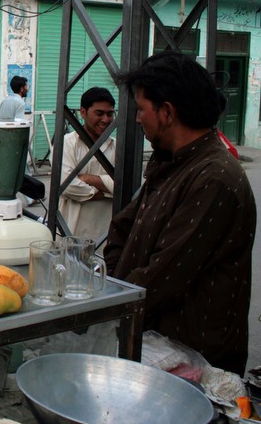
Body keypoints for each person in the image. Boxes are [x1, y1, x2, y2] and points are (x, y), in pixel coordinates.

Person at [105, 51, 256, 375]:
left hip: (190, 365)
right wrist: (117, 286)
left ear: (167, 112)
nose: (137, 118)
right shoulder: (171, 161)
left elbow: (161, 278)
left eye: (142, 109)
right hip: (152, 349)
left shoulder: (214, 178)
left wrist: (108, 307)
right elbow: (122, 227)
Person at [56, 87, 116, 240]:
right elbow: (66, 185)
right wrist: (104, 191)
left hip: (105, 235)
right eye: (99, 113)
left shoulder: (117, 147)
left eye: (110, 114)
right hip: (71, 233)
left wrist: (88, 179)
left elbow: (123, 185)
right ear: (83, 112)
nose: (105, 120)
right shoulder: (67, 144)